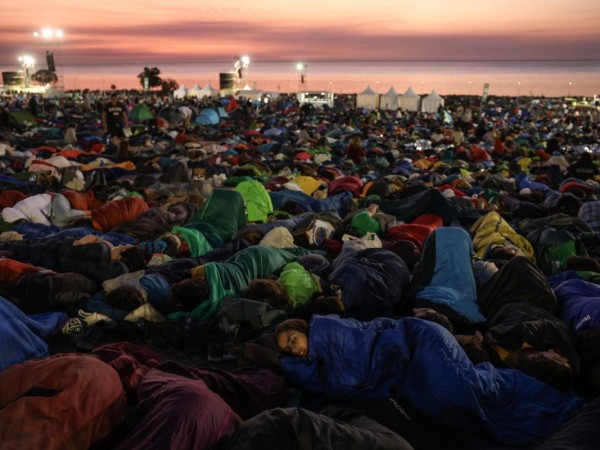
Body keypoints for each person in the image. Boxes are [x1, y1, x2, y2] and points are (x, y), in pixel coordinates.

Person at [274, 315, 583, 447]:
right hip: (408, 372)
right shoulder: (312, 365)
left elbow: (360, 356)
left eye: (293, 338)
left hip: (420, 343)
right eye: (287, 349)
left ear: (305, 328)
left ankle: (543, 403)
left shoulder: (330, 329)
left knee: (463, 394)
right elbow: (335, 383)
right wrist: (290, 364)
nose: (294, 347)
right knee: (447, 407)